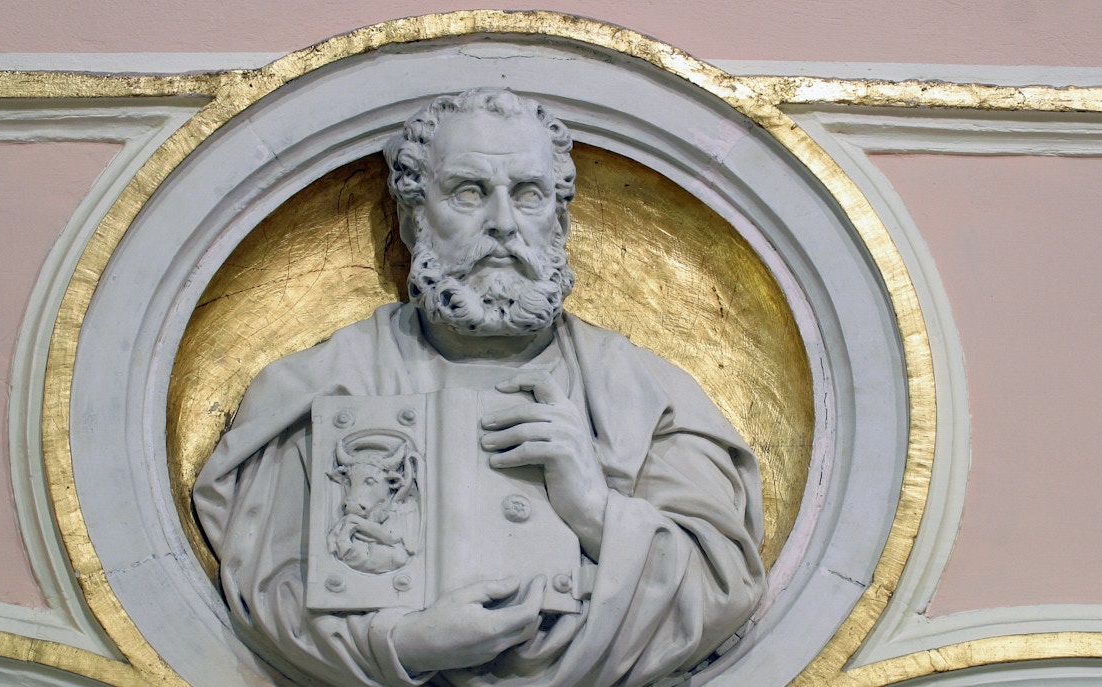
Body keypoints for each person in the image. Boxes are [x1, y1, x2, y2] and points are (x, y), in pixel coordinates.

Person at [194, 88, 765, 687]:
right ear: (414, 216)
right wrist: (403, 646)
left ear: (560, 220)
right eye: (469, 192)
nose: (502, 223)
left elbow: (719, 585)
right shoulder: (313, 392)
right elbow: (271, 586)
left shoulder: (650, 395)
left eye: (528, 195)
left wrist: (595, 510)